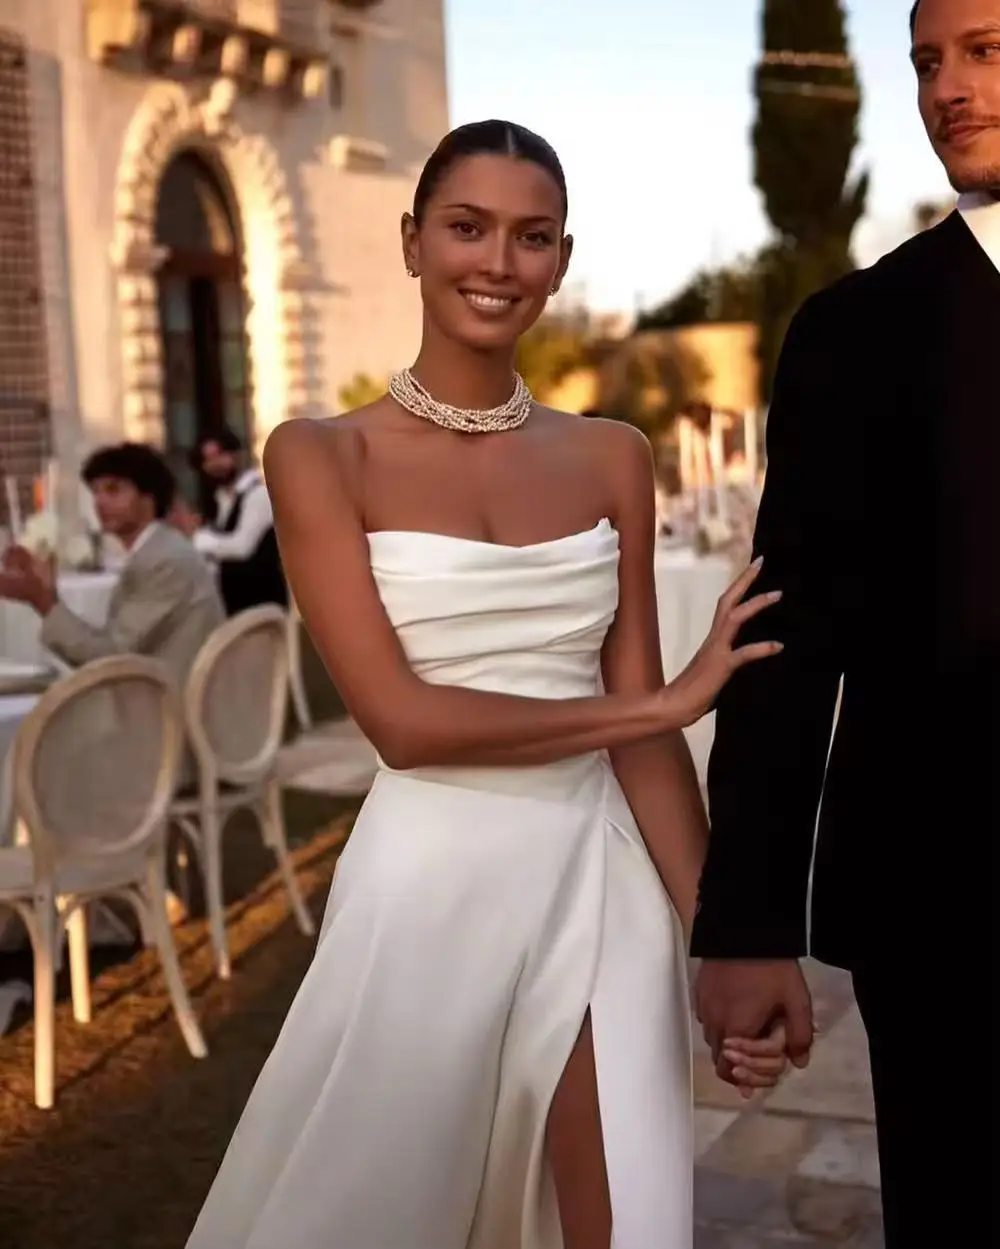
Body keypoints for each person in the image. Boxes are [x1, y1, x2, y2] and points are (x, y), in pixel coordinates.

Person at [185, 121, 786, 1249]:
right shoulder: (319, 455)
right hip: (427, 887)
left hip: (598, 876)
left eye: (531, 237)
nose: (497, 263)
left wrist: (726, 940)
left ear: (562, 261)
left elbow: (645, 751)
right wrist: (655, 703)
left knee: (620, 1221)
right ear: (412, 241)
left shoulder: (613, 453)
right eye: (467, 228)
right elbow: (402, 724)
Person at [691, 2, 996, 1246]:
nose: (946, 89)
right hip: (947, 910)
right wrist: (747, 923)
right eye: (927, 59)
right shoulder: (855, 332)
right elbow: (784, 637)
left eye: (986, 49)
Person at [0, 443, 224, 693]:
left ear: (148, 498)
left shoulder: (163, 561)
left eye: (113, 490)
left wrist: (42, 601)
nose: (100, 502)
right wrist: (46, 595)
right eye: (95, 492)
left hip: (168, 711)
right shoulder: (158, 549)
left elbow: (109, 659)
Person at [182, 427, 288, 615]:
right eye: (207, 460)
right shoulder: (221, 500)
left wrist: (196, 536)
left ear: (236, 455)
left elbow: (241, 547)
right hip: (234, 606)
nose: (215, 464)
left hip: (262, 605)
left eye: (220, 455)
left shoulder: (258, 495)